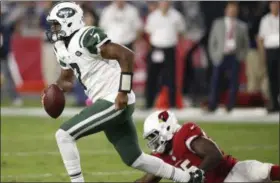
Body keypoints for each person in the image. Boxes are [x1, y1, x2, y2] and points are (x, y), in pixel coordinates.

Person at [42, 2, 197, 183]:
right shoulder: (61, 46)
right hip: (106, 100)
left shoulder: (86, 36)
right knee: (135, 158)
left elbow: (127, 55)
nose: (53, 29)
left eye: (56, 24)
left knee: (64, 135)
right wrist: (53, 90)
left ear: (69, 22)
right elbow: (67, 78)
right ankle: (188, 177)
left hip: (113, 98)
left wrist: (123, 91)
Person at [135, 110, 280, 183]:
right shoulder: (161, 157)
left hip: (229, 173)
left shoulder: (184, 134)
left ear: (166, 128)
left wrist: (198, 172)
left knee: (260, 171)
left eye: (154, 136)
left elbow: (215, 155)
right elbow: (147, 180)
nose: (153, 142)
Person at [207, 1, 249, 112]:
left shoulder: (242, 26)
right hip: (220, 56)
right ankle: (212, 105)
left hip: (234, 56)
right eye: (230, 9)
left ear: (237, 11)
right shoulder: (217, 23)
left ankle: (230, 106)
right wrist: (214, 56)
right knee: (216, 82)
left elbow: (246, 44)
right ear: (226, 10)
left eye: (234, 9)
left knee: (234, 83)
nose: (232, 11)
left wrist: (241, 57)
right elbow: (212, 42)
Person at [144, 1, 186, 109]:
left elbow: (181, 32)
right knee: (152, 77)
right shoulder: (153, 16)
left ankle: (172, 104)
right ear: (159, 3)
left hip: (169, 49)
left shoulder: (176, 16)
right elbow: (148, 32)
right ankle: (148, 103)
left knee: (171, 77)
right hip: (156, 48)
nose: (165, 4)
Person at [257, 1, 280, 113]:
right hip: (270, 51)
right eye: (273, 4)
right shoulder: (265, 20)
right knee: (271, 79)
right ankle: (274, 104)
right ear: (270, 6)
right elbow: (261, 39)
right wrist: (263, 54)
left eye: (277, 4)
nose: (275, 6)